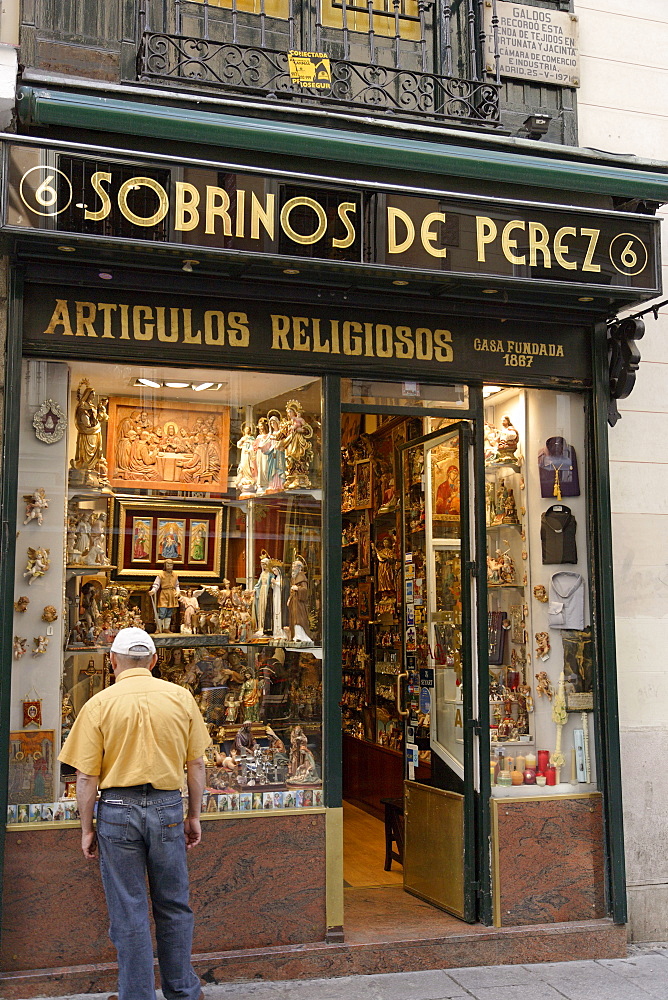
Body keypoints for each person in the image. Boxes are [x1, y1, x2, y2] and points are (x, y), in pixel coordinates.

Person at [58, 627, 211, 1000]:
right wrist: (194, 815)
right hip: (167, 808)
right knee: (174, 904)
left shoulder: (99, 704)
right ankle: (183, 992)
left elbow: (85, 775)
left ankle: (136, 995)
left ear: (112, 661)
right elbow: (197, 765)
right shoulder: (180, 697)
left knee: (128, 910)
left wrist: (86, 827)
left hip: (117, 810)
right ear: (155, 661)